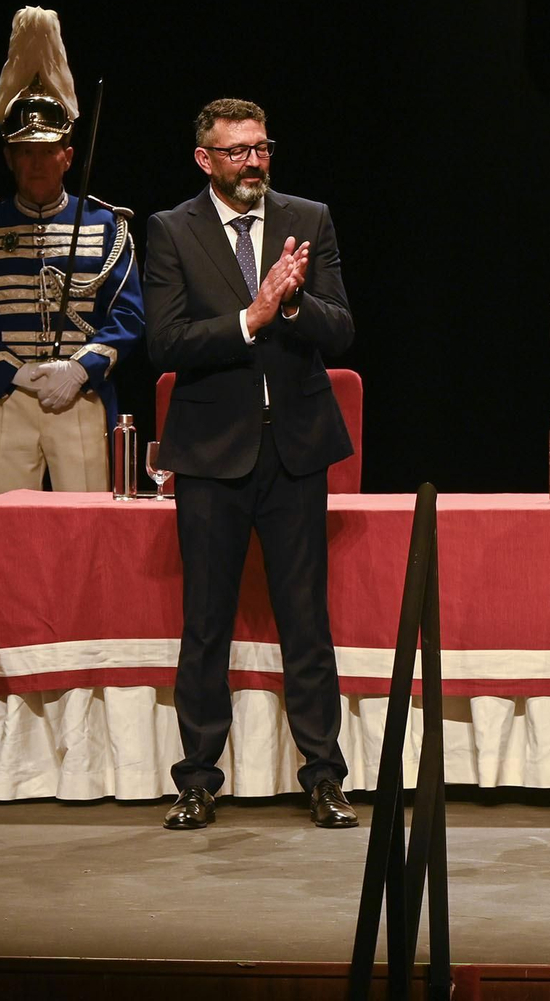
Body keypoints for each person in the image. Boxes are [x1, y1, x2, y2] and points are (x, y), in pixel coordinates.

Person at [145, 99, 357, 831]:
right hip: (211, 453)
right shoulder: (172, 230)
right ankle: (198, 778)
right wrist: (251, 318)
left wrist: (294, 309)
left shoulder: (310, 218)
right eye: (237, 152)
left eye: (262, 148)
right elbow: (166, 342)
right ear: (205, 159)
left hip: (294, 449)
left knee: (307, 620)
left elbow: (344, 326)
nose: (254, 162)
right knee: (205, 621)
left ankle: (325, 777)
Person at [0, 6, 143, 498]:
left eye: (47, 150)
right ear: (9, 158)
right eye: (24, 151)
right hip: (11, 398)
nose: (36, 162)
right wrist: (15, 372)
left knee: (89, 527)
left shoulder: (105, 224)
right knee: (8, 532)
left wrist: (80, 369)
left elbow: (130, 318)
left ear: (67, 156)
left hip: (82, 393)